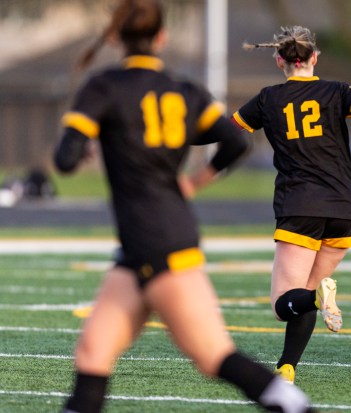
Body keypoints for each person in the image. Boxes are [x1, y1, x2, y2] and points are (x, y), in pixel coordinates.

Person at [54, 2, 315, 412]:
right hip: (147, 243)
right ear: (162, 37)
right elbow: (235, 141)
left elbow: (64, 161)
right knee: (92, 354)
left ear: (117, 37)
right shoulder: (185, 88)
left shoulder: (104, 86)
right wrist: (194, 182)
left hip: (156, 242)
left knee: (214, 355)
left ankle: (296, 406)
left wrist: (88, 144)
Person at [231, 26, 351, 383]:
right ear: (314, 58)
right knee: (305, 293)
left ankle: (317, 302)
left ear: (279, 61)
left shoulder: (268, 98)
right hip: (345, 209)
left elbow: (226, 132)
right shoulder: (337, 91)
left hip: (300, 206)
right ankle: (286, 368)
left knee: (283, 304)